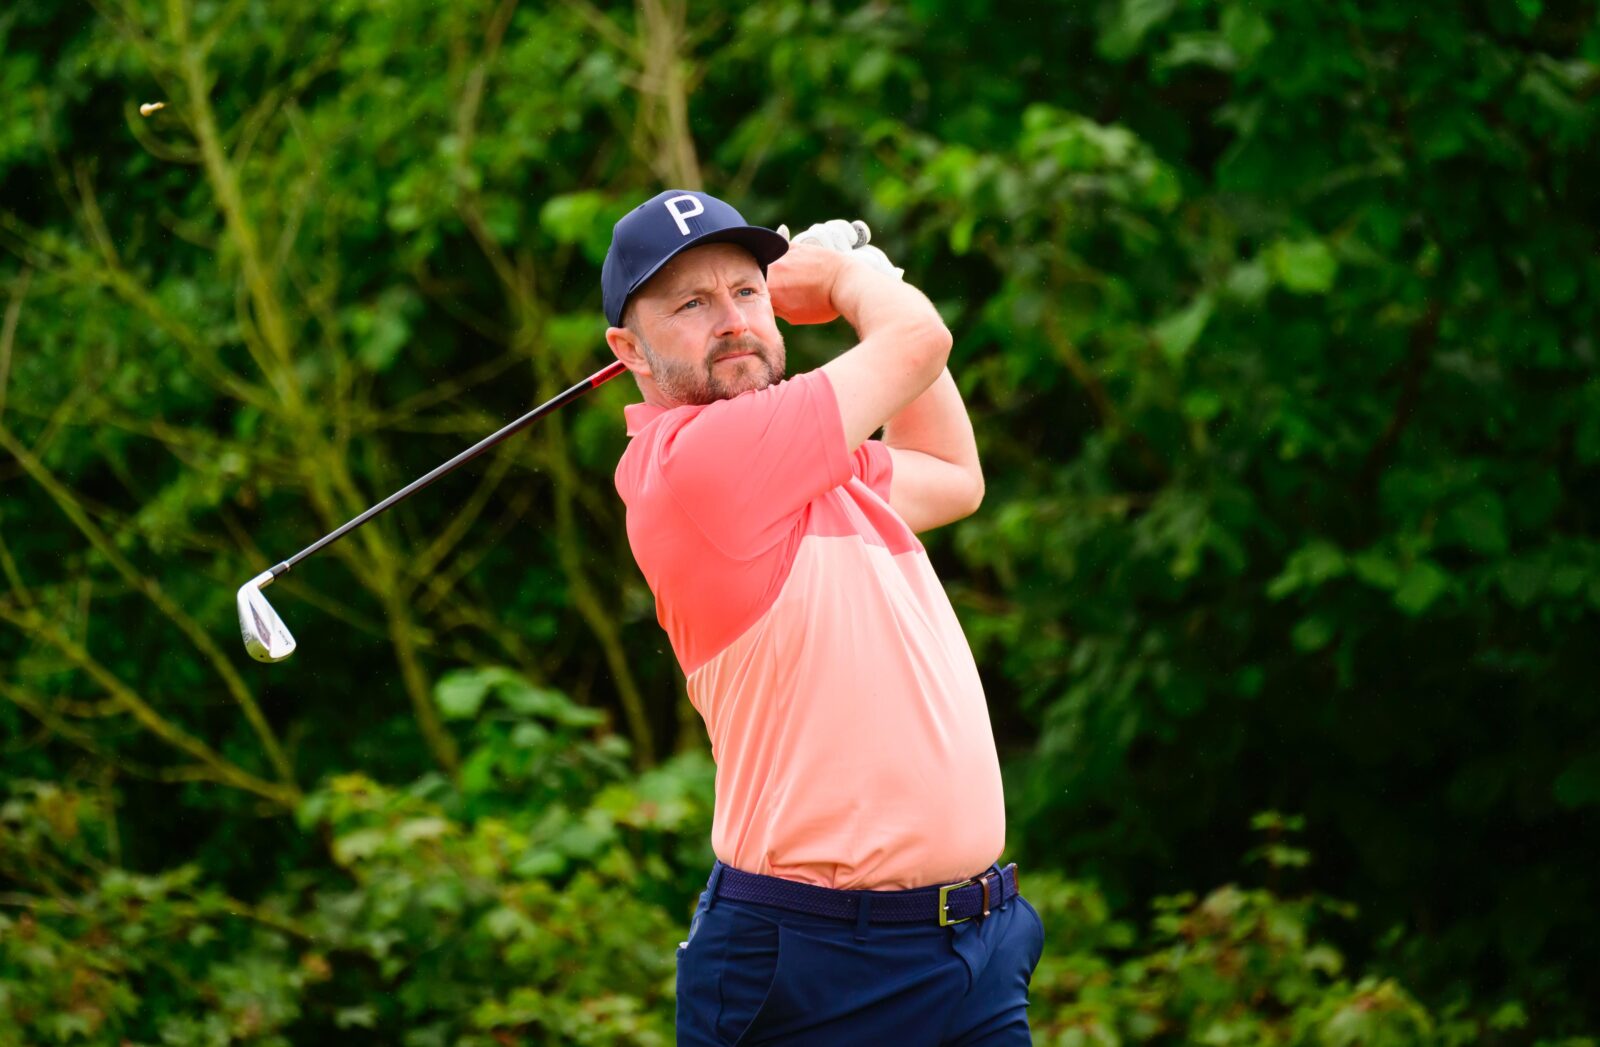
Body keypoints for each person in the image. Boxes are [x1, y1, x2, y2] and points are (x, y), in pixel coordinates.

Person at [602, 189, 1042, 1045]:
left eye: (747, 290)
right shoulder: (696, 462)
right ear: (630, 351)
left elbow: (950, 472)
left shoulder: (807, 466)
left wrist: (869, 276)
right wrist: (849, 278)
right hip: (816, 965)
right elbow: (918, 341)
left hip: (973, 950)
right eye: (691, 303)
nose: (732, 320)